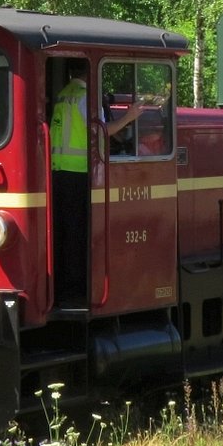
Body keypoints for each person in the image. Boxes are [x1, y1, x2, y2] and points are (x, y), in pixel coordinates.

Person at [49, 59, 144, 307]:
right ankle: (79, 284)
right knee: (81, 232)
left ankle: (65, 282)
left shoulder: (64, 95)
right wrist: (130, 117)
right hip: (81, 172)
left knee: (66, 230)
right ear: (91, 73)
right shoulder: (85, 98)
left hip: (59, 170)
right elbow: (103, 131)